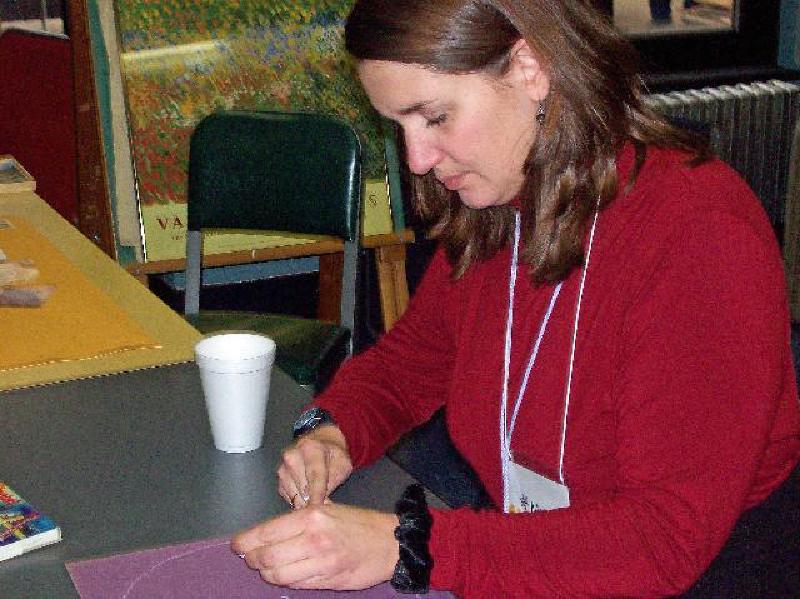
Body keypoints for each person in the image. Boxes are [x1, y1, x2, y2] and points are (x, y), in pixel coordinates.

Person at [232, 0, 800, 597]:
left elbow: (661, 541)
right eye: (398, 126)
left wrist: (411, 547)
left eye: (435, 117)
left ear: (530, 68)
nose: (417, 160)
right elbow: (412, 363)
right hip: (537, 553)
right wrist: (334, 429)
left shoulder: (698, 232)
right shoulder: (505, 206)